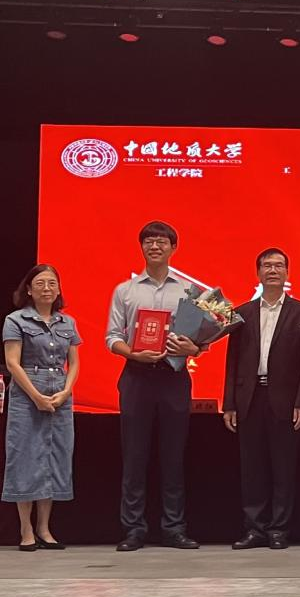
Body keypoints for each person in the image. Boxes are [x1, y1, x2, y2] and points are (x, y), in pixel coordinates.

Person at [105, 220, 204, 551]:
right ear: (141, 247)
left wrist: (195, 348)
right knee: (134, 456)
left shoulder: (189, 291)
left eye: (162, 242)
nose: (155, 246)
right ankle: (134, 529)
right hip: (136, 376)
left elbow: (202, 337)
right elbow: (112, 336)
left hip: (174, 377)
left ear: (174, 248)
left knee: (173, 457)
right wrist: (133, 353)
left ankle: (173, 528)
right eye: (149, 241)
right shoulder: (125, 290)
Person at [222, 248, 300, 550]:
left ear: (287, 273)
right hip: (249, 398)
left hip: (285, 401)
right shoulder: (243, 313)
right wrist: (229, 403)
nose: (272, 270)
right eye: (267, 265)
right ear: (258, 273)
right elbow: (232, 361)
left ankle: (278, 529)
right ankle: (255, 529)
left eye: (278, 266)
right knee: (252, 468)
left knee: (283, 468)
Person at [1, 264, 82, 551]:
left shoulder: (68, 322)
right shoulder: (15, 320)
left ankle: (44, 528)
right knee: (25, 457)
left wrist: (66, 391)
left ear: (58, 289)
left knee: (53, 457)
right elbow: (12, 363)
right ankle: (25, 529)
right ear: (29, 289)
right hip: (27, 393)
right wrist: (35, 396)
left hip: (60, 393)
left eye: (51, 283)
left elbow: (74, 362)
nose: (46, 288)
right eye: (40, 283)